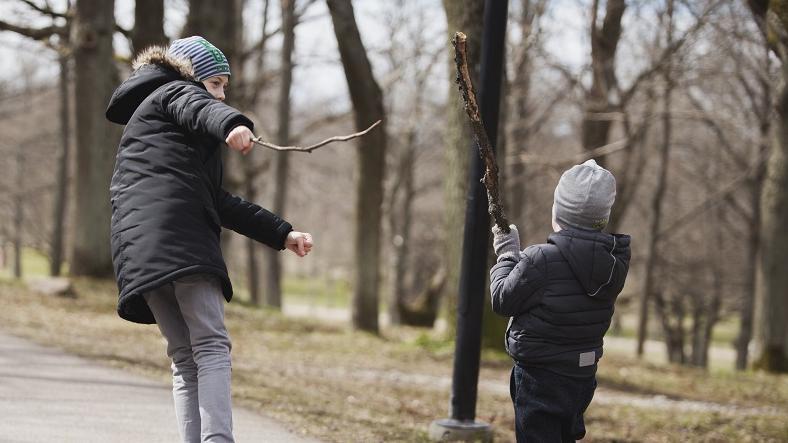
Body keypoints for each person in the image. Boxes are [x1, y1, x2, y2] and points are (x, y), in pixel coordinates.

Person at [105, 36, 312, 443]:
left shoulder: (156, 129)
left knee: (185, 358)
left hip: (138, 252)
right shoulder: (175, 91)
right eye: (216, 83)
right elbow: (198, 105)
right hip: (179, 240)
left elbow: (218, 201)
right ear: (192, 75)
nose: (220, 93)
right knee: (212, 347)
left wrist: (282, 233)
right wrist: (233, 122)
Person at [490, 159, 631, 442]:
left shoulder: (541, 258)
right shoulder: (614, 262)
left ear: (558, 212)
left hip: (540, 376)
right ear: (602, 217)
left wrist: (507, 254)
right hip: (581, 376)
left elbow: (502, 299)